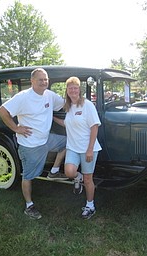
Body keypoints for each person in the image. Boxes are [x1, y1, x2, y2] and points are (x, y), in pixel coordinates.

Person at [0, 68, 67, 220]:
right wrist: (16, 128)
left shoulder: (49, 95)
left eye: (46, 79)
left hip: (46, 139)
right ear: (32, 81)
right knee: (29, 176)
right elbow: (3, 111)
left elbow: (64, 103)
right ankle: (29, 206)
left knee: (68, 143)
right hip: (30, 144)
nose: (44, 82)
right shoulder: (23, 97)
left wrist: (83, 105)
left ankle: (54, 171)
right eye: (40, 79)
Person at [53, 76, 102, 220]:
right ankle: (77, 178)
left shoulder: (87, 105)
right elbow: (67, 124)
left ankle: (90, 206)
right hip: (73, 147)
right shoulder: (69, 107)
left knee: (88, 179)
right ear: (67, 91)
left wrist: (89, 149)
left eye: (75, 88)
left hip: (88, 148)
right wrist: (52, 118)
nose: (73, 90)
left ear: (79, 90)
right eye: (70, 88)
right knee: (69, 172)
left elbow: (94, 127)